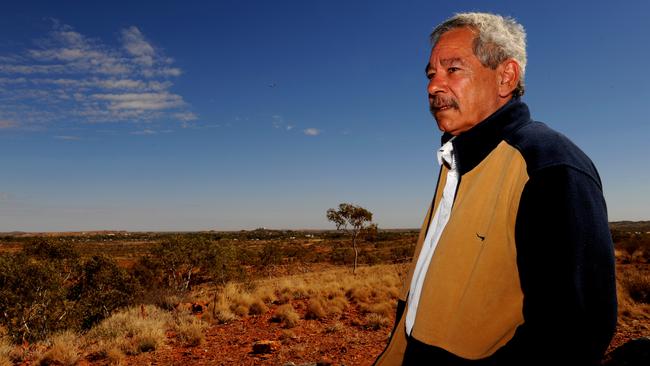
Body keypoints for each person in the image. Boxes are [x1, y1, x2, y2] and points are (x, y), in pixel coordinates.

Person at [374, 12, 617, 366]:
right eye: (431, 74)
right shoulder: (454, 160)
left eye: (452, 70)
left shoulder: (548, 165)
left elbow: (574, 332)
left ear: (506, 77)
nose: (433, 86)